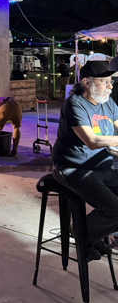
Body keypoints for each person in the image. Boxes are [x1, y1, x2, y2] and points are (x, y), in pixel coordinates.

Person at [51, 61, 118, 261]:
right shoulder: (74, 104)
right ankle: (82, 235)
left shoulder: (108, 102)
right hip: (73, 167)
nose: (110, 86)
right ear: (87, 83)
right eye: (105, 82)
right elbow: (92, 141)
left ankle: (91, 238)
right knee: (114, 209)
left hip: (102, 166)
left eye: (111, 81)